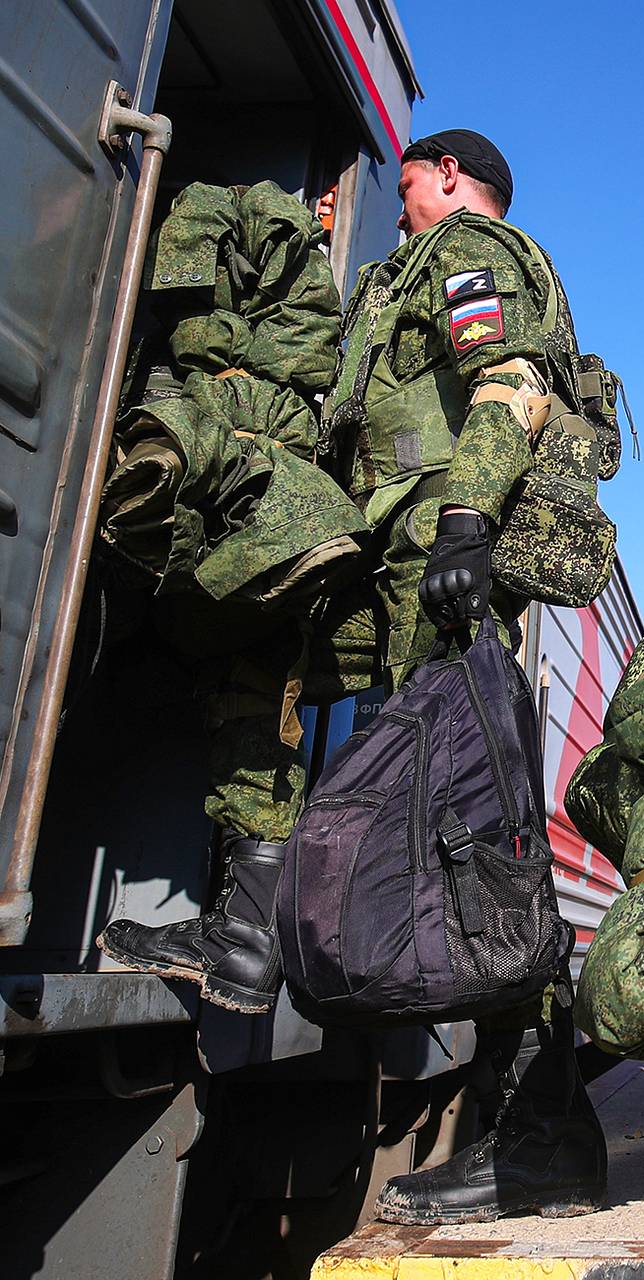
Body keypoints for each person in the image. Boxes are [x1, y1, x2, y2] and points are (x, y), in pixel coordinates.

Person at [99, 129, 608, 1226]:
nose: (404, 198)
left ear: (443, 179)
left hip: (433, 551)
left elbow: (509, 379)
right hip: (380, 552)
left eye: (411, 181)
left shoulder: (473, 246)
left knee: (469, 835)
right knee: (251, 647)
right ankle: (245, 926)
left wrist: (469, 511)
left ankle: (542, 1134)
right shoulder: (398, 278)